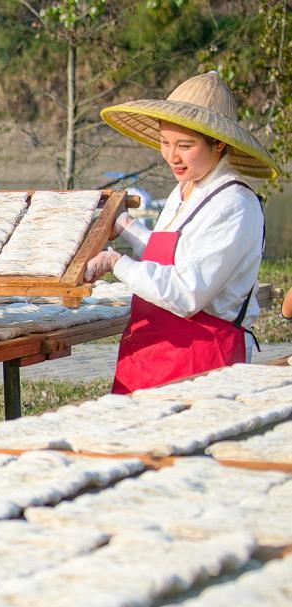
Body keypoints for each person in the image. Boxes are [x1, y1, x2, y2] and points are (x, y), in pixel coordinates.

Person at [84, 71, 280, 394]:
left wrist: (115, 264)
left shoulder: (235, 204)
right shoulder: (185, 188)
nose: (171, 157)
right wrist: (127, 228)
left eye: (184, 146)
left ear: (218, 143)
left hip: (201, 363)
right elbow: (174, 256)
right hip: (150, 356)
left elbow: (188, 292)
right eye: (164, 143)